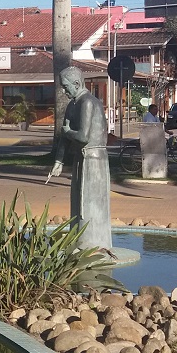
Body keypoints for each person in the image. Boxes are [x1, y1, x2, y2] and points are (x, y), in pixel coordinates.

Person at [47, 67, 112, 252]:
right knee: (78, 203)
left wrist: (68, 132)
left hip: (94, 160)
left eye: (66, 87)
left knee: (90, 204)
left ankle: (95, 244)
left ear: (77, 84)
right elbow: (64, 136)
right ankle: (79, 243)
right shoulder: (72, 105)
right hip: (80, 159)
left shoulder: (88, 102)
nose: (64, 91)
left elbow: (83, 136)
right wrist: (58, 162)